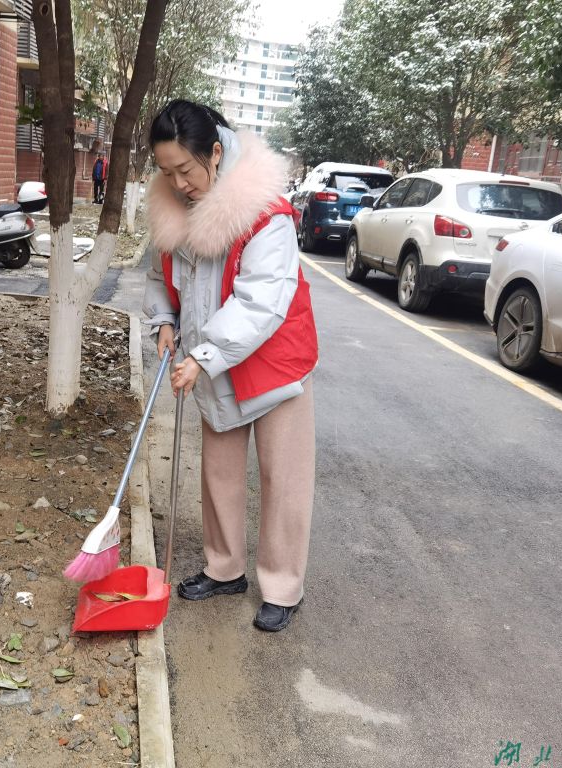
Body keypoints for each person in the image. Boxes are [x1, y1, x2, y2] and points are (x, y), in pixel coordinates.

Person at [142, 100, 319, 632]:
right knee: (219, 471)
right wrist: (165, 320)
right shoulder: (173, 208)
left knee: (282, 477)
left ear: (215, 153)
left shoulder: (264, 212)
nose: (179, 184)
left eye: (186, 170)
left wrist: (204, 355)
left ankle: (282, 586)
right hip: (211, 357)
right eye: (167, 172)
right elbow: (161, 274)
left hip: (274, 362)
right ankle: (224, 569)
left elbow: (260, 301)